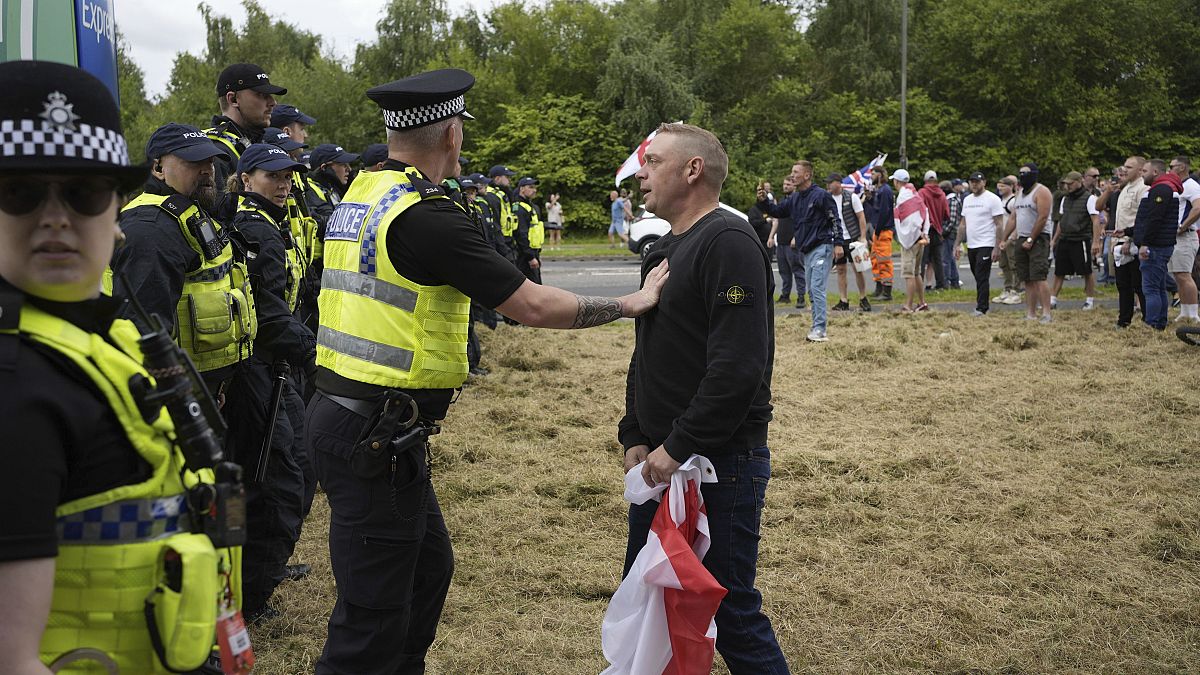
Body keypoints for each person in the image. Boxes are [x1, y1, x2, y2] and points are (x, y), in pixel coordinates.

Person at [305, 68, 668, 675]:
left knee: (425, 571)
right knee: (369, 619)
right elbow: (530, 304)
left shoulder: (364, 194)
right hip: (371, 432)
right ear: (451, 133)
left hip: (358, 422)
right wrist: (631, 303)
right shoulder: (424, 216)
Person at [0, 59, 238, 675]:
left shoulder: (108, 334)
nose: (55, 216)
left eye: (82, 192)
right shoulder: (17, 388)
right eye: (19, 192)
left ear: (115, 210)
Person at [622, 122, 788, 675]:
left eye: (654, 161)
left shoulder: (729, 243)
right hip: (661, 466)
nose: (640, 173)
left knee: (728, 608)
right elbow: (647, 351)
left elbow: (739, 370)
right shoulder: (664, 250)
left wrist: (680, 444)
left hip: (719, 463)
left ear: (693, 169)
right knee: (653, 602)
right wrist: (636, 434)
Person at [222, 144, 316, 621]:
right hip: (260, 371)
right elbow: (270, 313)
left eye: (288, 176)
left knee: (295, 470)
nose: (283, 184)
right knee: (275, 480)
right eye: (272, 175)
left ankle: (260, 578)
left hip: (281, 367)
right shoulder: (252, 226)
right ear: (245, 177)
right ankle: (251, 596)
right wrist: (317, 353)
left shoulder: (274, 221)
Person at [758, 160, 840, 342]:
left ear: (807, 175)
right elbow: (776, 211)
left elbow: (834, 218)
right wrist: (763, 200)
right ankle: (816, 326)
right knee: (811, 289)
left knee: (816, 288)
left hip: (822, 245)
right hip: (807, 249)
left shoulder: (821, 196)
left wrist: (838, 243)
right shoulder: (794, 198)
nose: (792, 175)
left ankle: (820, 329)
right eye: (792, 171)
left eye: (796, 172)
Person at [205, 63, 288, 213]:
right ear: (233, 99)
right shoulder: (217, 153)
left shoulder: (260, 143)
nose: (273, 102)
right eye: (262, 95)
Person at [1133, 159, 1182, 331]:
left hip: (1155, 246)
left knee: (1151, 288)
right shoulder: (1166, 188)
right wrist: (1127, 231)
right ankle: (1159, 322)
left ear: (1155, 172)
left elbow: (1154, 219)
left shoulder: (1161, 189)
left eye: (1144, 171)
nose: (1142, 174)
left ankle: (1152, 324)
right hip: (1161, 244)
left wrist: (1145, 243)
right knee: (1159, 286)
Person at [1002, 163, 1054, 323]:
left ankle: (1046, 313)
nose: (1022, 176)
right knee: (1027, 279)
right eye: (1020, 173)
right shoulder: (1019, 194)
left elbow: (1042, 217)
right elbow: (1013, 218)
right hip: (1021, 238)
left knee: (1039, 276)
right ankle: (1030, 314)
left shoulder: (1042, 191)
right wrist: (1004, 238)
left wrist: (1032, 239)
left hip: (1039, 238)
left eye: (1026, 173)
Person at [954, 171, 1006, 315]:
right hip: (972, 243)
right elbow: (963, 224)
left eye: (977, 181)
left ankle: (981, 308)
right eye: (972, 182)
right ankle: (982, 303)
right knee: (977, 275)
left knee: (982, 275)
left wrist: (997, 247)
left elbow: (999, 224)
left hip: (987, 242)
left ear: (984, 182)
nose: (974, 184)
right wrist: (957, 244)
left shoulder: (992, 199)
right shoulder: (968, 200)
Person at [1050, 171, 1102, 310]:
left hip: (1081, 239)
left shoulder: (1089, 198)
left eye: (1071, 183)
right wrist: (1054, 239)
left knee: (1086, 271)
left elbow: (1096, 220)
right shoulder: (1065, 199)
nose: (1068, 186)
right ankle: (1052, 299)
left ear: (1079, 182)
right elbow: (1062, 221)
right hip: (1065, 238)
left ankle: (1089, 300)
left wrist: (1096, 241)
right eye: (1066, 184)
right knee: (1059, 271)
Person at [827, 174, 871, 312]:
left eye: (830, 183)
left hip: (852, 238)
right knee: (840, 270)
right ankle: (843, 300)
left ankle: (863, 298)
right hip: (838, 240)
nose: (827, 185)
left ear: (838, 183)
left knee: (858, 269)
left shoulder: (851, 197)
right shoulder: (828, 199)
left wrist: (863, 237)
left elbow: (861, 217)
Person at [1113, 156, 1148, 327]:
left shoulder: (1143, 189)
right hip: (1120, 242)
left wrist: (1130, 239)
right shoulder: (1125, 188)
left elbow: (1140, 218)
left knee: (1138, 284)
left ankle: (1147, 319)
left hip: (1133, 242)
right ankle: (1124, 319)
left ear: (1141, 170)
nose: (1124, 170)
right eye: (1124, 166)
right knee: (1123, 284)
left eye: (1129, 167)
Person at [1168, 156, 1200, 321]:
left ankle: (1193, 312)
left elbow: (1197, 208)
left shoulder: (1191, 186)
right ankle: (1185, 310)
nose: (1169, 169)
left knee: (1184, 275)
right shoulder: (1179, 187)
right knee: (1178, 275)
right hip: (1177, 237)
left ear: (1181, 167)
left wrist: (1183, 226)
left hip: (1185, 236)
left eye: (1171, 166)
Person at [892, 169, 929, 312]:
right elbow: (925, 213)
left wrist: (906, 238)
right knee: (916, 272)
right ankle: (922, 302)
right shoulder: (916, 194)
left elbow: (908, 221)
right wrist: (924, 233)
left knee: (908, 274)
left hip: (910, 241)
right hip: (920, 238)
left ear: (896, 181)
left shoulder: (903, 196)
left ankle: (908, 305)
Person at [766, 176, 805, 306]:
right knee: (784, 271)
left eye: (788, 184)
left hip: (792, 242)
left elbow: (802, 221)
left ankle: (801, 297)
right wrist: (771, 236)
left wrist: (796, 237)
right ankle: (785, 295)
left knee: (797, 270)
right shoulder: (783, 201)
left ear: (794, 186)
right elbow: (776, 220)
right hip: (781, 241)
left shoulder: (798, 200)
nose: (785, 186)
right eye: (784, 184)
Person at [994, 176, 1024, 304]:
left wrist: (1011, 238)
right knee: (1004, 265)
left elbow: (1017, 220)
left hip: (1012, 238)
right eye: (999, 185)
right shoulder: (1000, 201)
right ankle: (1007, 288)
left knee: (1014, 265)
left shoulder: (1013, 201)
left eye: (1004, 186)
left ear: (1011, 186)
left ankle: (1016, 290)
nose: (1000, 188)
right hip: (1003, 239)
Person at [918, 170, 949, 291]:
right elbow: (946, 214)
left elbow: (919, 210)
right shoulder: (941, 193)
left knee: (922, 259)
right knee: (937, 259)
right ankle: (941, 284)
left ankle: (919, 286)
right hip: (937, 230)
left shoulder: (922, 192)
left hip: (926, 229)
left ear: (925, 180)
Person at [869, 166, 895, 299]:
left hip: (883, 230)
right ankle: (879, 288)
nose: (871, 176)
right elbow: (876, 208)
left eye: (873, 174)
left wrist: (878, 230)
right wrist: (869, 197)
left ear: (880, 175)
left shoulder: (885, 190)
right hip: (878, 229)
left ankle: (887, 291)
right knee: (875, 260)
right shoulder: (878, 190)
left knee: (884, 260)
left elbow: (884, 211)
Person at [513, 176, 544, 284]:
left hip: (532, 251)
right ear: (522, 189)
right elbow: (521, 234)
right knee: (533, 286)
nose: (534, 190)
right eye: (530, 187)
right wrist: (531, 257)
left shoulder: (531, 206)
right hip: (525, 254)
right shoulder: (519, 208)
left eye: (535, 187)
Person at [941, 180, 963, 288]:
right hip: (952, 232)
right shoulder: (952, 199)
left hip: (950, 233)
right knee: (951, 258)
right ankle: (954, 282)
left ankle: (947, 282)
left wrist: (944, 231)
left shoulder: (952, 200)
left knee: (946, 259)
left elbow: (952, 219)